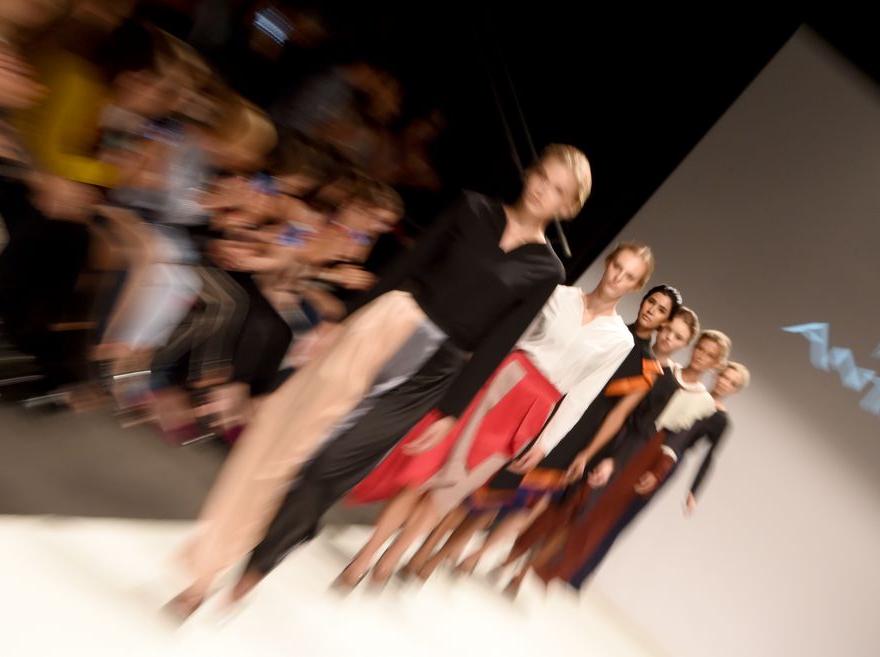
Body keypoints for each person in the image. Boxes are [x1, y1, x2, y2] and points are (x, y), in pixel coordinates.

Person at [166, 143, 591, 618]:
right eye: (543, 176)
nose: (543, 190)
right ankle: (205, 573)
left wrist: (451, 411)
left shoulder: (546, 270)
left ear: (568, 207)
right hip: (384, 327)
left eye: (558, 190)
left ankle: (258, 565)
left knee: (329, 468)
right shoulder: (471, 208)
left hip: (433, 371)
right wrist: (339, 322)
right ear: (531, 173)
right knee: (285, 442)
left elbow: (498, 342)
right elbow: (404, 268)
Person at [337, 243, 656, 588]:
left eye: (629, 276)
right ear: (608, 263)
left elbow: (583, 394)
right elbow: (511, 337)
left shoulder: (620, 340)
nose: (617, 278)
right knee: (425, 470)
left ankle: (390, 560)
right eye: (617, 267)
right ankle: (365, 556)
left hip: (530, 413)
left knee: (450, 492)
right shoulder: (558, 296)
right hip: (497, 383)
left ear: (635, 287)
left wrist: (546, 443)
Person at [408, 286, 684, 579]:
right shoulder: (608, 330)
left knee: (503, 495)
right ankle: (425, 553)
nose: (652, 310)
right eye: (651, 301)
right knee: (481, 481)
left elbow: (618, 415)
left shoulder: (648, 367)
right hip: (545, 410)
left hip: (577, 435)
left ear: (665, 321)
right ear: (642, 300)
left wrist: (587, 454)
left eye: (661, 310)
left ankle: (439, 559)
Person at [511, 329, 731, 592]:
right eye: (700, 348)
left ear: (715, 364)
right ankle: (511, 559)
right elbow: (629, 409)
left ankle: (525, 573)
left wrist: (657, 471)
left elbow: (677, 440)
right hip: (616, 438)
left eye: (709, 355)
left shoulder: (704, 403)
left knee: (584, 515)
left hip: (641, 456)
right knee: (566, 501)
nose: (701, 356)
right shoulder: (664, 370)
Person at [558, 361, 750, 591]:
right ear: (717, 374)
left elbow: (709, 456)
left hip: (666, 464)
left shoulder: (721, 420)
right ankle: (560, 559)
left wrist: (694, 490)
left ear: (736, 390)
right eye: (724, 376)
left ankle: (579, 575)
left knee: (622, 517)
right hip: (644, 446)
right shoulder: (691, 391)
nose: (725, 383)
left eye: (732, 383)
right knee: (601, 500)